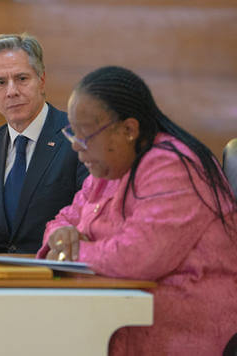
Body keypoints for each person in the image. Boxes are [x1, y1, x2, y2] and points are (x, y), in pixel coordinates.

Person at [37, 66, 237, 355]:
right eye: (73, 134)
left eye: (86, 136)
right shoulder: (107, 169)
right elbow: (63, 219)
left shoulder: (171, 166)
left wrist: (72, 252)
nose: (77, 149)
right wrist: (59, 236)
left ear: (129, 129)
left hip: (178, 329)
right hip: (117, 317)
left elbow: (138, 256)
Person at [0, 33, 87, 253]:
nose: (12, 91)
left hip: (55, 277)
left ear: (41, 81)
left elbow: (89, 220)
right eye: (0, 82)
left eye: (22, 79)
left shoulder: (76, 138)